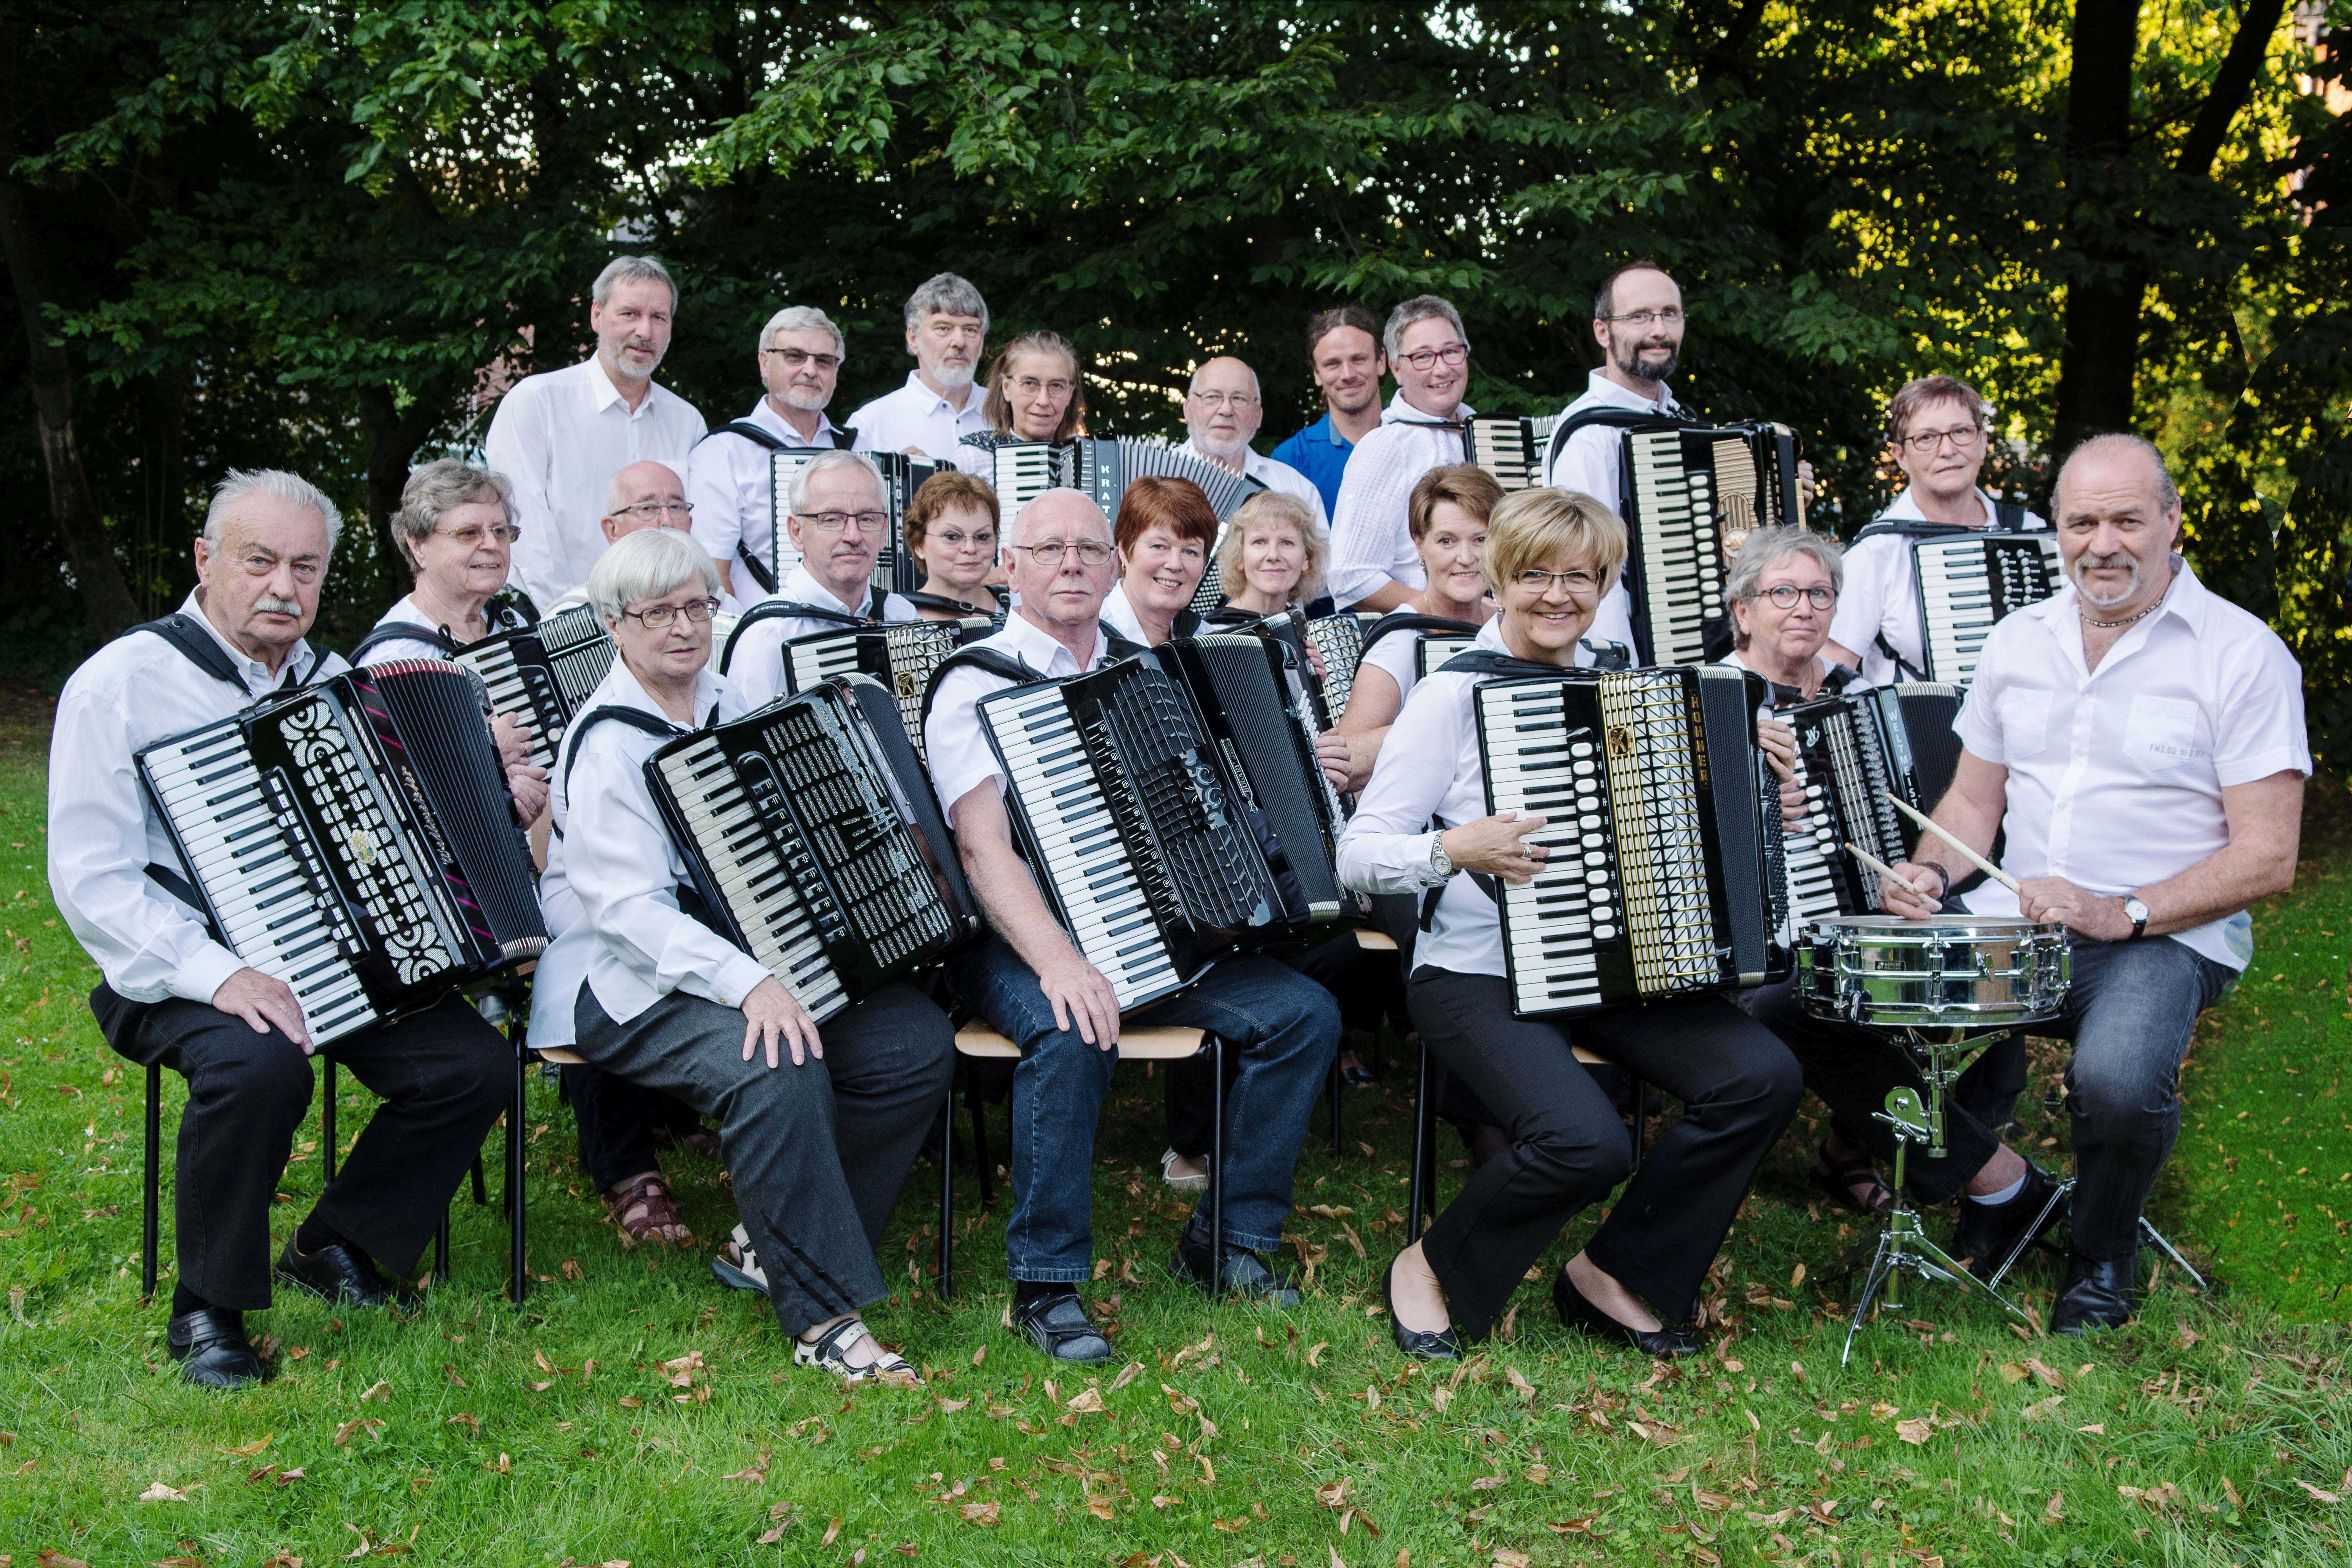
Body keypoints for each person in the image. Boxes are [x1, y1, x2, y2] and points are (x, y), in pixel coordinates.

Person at [1759, 436, 2307, 1334]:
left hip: (2164, 934)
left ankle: (2100, 1258)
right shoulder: (2021, 639)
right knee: (1800, 1006)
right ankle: (2006, 1189)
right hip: (2016, 927)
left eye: (2127, 519)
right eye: (2081, 521)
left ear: (2171, 522)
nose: (2103, 542)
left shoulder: (2242, 654)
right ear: (2056, 529)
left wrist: (2121, 910)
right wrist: (1930, 871)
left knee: (2119, 1078)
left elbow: (2268, 856)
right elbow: (1975, 799)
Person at [51, 470, 514, 1388]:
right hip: (172, 967)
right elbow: (90, 880)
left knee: (473, 1065)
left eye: (305, 569)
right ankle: (208, 1309)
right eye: (259, 562)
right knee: (258, 1065)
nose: (283, 588)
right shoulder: (123, 683)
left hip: (334, 955)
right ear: (205, 560)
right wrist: (216, 974)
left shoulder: (338, 681)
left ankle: (335, 1241)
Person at [1337, 486, 1804, 1360]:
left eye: (1581, 578)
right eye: (1538, 575)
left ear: (1605, 584)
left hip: (1608, 962)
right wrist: (1454, 850)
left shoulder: (1621, 686)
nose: (1559, 596)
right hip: (1474, 971)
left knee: (1761, 1073)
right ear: (1501, 578)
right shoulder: (1451, 695)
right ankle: (1432, 1264)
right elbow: (1359, 854)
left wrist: (1761, 788)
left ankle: (1617, 1272)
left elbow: (1680, 835)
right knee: (1583, 1140)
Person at [923, 488, 1343, 1362]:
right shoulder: (976, 680)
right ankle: (1046, 1280)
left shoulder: (1149, 665)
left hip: (1154, 931)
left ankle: (1227, 1240)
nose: (1070, 562)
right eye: (1047, 550)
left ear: (1113, 565)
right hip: (1015, 939)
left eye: (1086, 548)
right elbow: (982, 852)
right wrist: (1062, 964)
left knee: (1304, 1014)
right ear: (1011, 567)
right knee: (1073, 1030)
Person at [528, 527, 955, 1379]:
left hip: (754, 959)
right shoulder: (605, 741)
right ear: (616, 623)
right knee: (776, 1064)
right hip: (622, 982)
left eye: (697, 606)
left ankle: (768, 1242)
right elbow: (628, 916)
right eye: (659, 612)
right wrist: (753, 981)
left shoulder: (731, 703)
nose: (684, 626)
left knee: (913, 1042)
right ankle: (824, 1318)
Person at [1543, 261, 1802, 649]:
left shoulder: (1679, 419)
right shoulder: (1589, 436)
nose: (1659, 330)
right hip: (1640, 665)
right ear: (1603, 331)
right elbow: (1589, 575)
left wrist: (1786, 496)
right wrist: (1623, 679)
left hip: (1706, 649)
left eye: (1670, 314)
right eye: (1640, 317)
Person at [486, 256, 707, 611]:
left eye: (658, 318)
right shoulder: (537, 402)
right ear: (597, 316)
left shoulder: (687, 422)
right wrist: (571, 617)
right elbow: (524, 522)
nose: (645, 332)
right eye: (630, 314)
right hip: (552, 616)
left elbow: (690, 532)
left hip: (657, 624)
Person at [355, 459, 550, 821]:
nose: (492, 544)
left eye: (501, 531)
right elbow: (392, 795)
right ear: (418, 547)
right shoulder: (396, 658)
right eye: (469, 534)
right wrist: (485, 755)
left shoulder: (511, 622)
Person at [1824, 374, 2049, 685]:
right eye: (1927, 438)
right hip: (1920, 728)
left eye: (1961, 432)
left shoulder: (2031, 533)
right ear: (1901, 456)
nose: (1948, 450)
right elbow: (1831, 676)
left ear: (1983, 443)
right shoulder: (1875, 555)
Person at [1336, 465, 1501, 789]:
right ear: (1419, 545)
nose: (1466, 557)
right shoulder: (1400, 638)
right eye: (1447, 541)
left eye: (1480, 539)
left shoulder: (1505, 619)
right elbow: (1347, 761)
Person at [722, 450, 921, 710]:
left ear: (884, 532)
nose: (853, 536)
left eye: (867, 519)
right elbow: (750, 748)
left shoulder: (900, 614)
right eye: (832, 519)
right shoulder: (768, 636)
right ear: (796, 532)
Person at [687, 305, 855, 601]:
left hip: (855, 626)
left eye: (824, 361)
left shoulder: (856, 448)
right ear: (764, 363)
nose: (811, 370)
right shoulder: (725, 451)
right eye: (795, 357)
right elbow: (711, 573)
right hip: (765, 629)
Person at [1325, 296, 1478, 613]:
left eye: (1451, 352)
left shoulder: (1486, 436)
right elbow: (1350, 577)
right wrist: (1450, 615)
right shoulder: (1384, 446)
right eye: (1423, 357)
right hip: (1427, 644)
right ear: (1395, 368)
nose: (1441, 368)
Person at [844, 272, 993, 461]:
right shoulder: (872, 425)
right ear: (913, 339)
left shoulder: (1007, 412)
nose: (959, 342)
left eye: (970, 330)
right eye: (943, 328)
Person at [1179, 356, 1327, 526]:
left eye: (1239, 399)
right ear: (1188, 409)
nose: (1226, 410)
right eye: (1212, 397)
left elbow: (1321, 553)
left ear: (1259, 415)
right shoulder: (1152, 479)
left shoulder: (1296, 489)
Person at [1270, 305, 1388, 518]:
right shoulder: (1291, 459)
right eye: (1333, 364)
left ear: (1381, 362)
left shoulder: (1414, 438)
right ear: (1317, 374)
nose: (1347, 374)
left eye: (1358, 359)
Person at [1100, 474, 1216, 647]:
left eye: (1190, 552)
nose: (1175, 564)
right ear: (1124, 551)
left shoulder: (1209, 642)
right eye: (1159, 546)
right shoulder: (1091, 640)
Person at [954, 330, 1087, 475]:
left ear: (1070, 394)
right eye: (1030, 384)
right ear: (1007, 388)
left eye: (1056, 386)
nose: (1043, 401)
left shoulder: (1087, 458)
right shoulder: (972, 459)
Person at [1205, 490, 1331, 621]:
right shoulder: (1216, 631)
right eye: (1260, 542)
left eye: (1287, 543)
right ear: (1240, 557)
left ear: (1307, 558)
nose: (1273, 555)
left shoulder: (1305, 631)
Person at [900, 470, 1007, 619]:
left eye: (982, 537)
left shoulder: (1019, 608)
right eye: (952, 537)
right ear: (919, 544)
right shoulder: (898, 617)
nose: (970, 548)